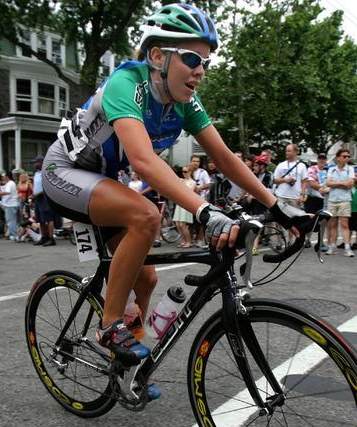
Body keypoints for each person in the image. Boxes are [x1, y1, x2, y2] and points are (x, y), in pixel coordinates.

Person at [41, 3, 305, 399]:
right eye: (192, 58)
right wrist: (203, 209)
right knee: (145, 216)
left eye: (206, 61)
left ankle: (124, 370)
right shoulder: (126, 84)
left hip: (102, 180)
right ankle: (110, 322)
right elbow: (144, 162)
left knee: (145, 277)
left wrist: (278, 207)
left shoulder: (183, 103)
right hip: (63, 172)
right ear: (158, 56)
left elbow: (224, 157)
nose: (201, 69)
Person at [273, 144, 308, 247]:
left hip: (295, 196)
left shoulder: (301, 166)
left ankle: (290, 240)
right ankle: (280, 240)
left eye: (289, 151)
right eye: (286, 151)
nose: (286, 153)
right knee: (279, 219)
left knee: (293, 219)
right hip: (281, 195)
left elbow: (304, 181)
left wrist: (302, 194)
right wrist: (284, 179)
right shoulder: (281, 165)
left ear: (295, 152)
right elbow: (275, 179)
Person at [325, 148, 355, 257]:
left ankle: (348, 247)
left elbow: (350, 183)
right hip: (332, 199)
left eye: (348, 156)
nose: (347, 158)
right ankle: (332, 246)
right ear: (338, 158)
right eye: (344, 156)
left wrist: (335, 183)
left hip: (344, 199)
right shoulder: (331, 170)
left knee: (344, 224)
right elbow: (328, 183)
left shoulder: (350, 170)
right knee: (332, 224)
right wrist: (343, 183)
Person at [31, 155, 56, 246]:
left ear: (40, 163)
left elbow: (47, 186)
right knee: (40, 220)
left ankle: (51, 238)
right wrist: (33, 197)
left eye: (36, 162)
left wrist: (37, 195)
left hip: (44, 198)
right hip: (37, 199)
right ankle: (44, 237)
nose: (34, 164)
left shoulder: (46, 171)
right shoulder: (37, 173)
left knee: (48, 219)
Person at [173, 164, 196, 248]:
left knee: (182, 224)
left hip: (186, 203)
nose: (184, 173)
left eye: (185, 171)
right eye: (182, 171)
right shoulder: (181, 180)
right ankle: (183, 240)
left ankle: (188, 241)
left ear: (190, 172)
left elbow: (189, 192)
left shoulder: (193, 182)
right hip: (180, 203)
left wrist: (181, 184)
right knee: (178, 224)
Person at [191, 154, 211, 248]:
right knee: (190, 222)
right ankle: (191, 239)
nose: (195, 163)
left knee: (199, 221)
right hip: (190, 198)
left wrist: (199, 188)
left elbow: (208, 184)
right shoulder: (188, 171)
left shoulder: (203, 172)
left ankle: (199, 239)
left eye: (197, 161)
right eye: (194, 161)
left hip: (200, 198)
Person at [0, 171, 19, 241]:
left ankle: (15, 234)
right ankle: (14, 234)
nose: (3, 177)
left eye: (4, 176)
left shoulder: (10, 183)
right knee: (11, 220)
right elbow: (4, 188)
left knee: (10, 220)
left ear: (7, 176)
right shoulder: (10, 183)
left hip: (10, 204)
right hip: (11, 204)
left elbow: (7, 192)